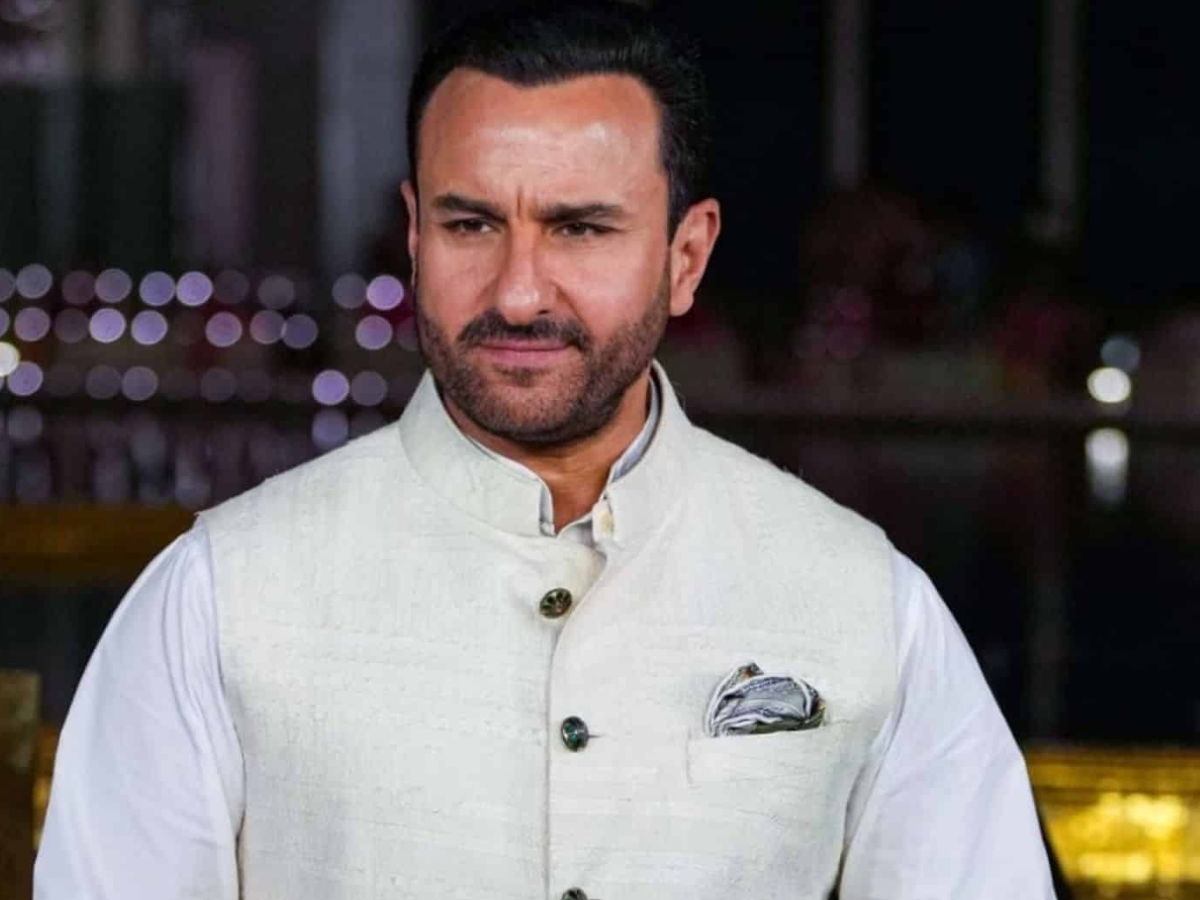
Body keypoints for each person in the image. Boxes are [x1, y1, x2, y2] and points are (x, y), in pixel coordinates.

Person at [35, 2, 1056, 898]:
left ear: (686, 256)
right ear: (415, 235)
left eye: (580, 229)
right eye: (472, 224)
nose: (519, 293)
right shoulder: (219, 601)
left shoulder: (865, 604)